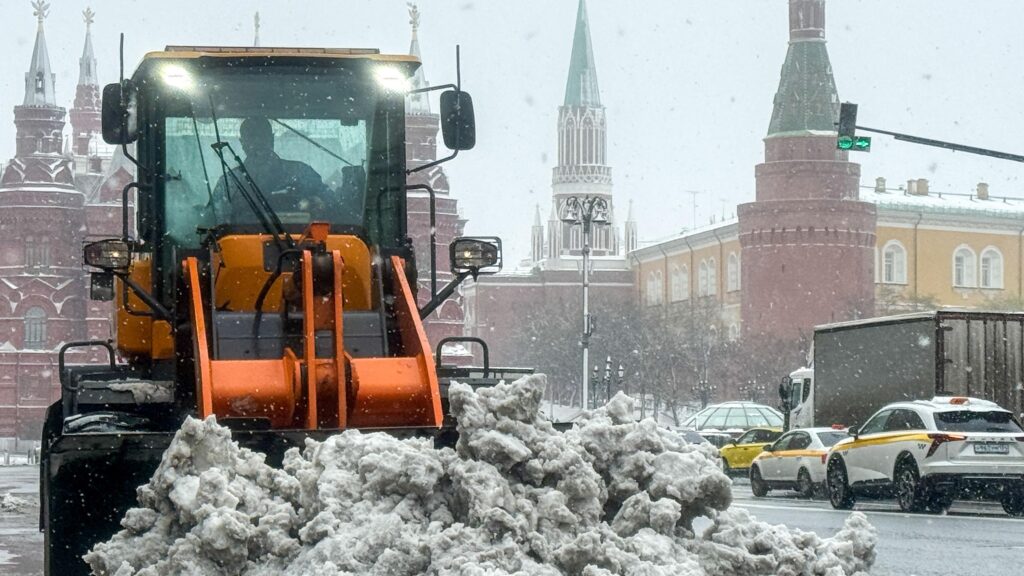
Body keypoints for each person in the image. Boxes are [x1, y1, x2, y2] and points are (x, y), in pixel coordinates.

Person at [212, 117, 331, 225]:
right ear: (242, 142)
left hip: (302, 243)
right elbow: (215, 222)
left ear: (272, 139)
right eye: (252, 136)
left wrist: (318, 205)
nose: (258, 142)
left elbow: (332, 207)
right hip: (242, 245)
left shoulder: (302, 173)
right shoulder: (229, 182)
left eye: (262, 136)